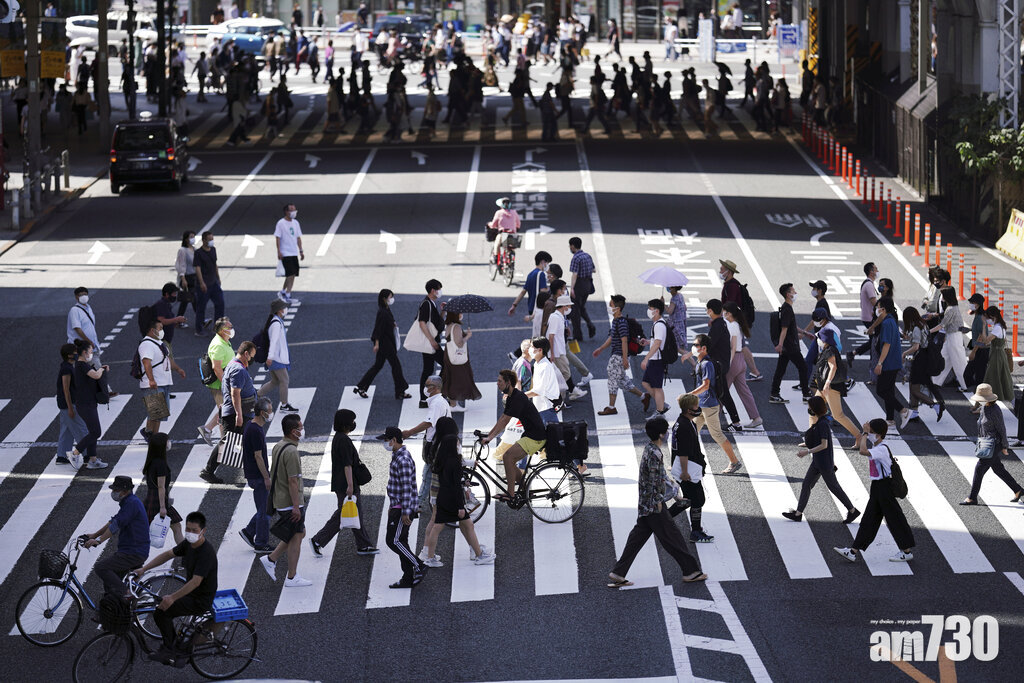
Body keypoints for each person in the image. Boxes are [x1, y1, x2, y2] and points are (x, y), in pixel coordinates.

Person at [609, 417, 707, 587]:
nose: (668, 434)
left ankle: (618, 572)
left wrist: (675, 495)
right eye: (666, 431)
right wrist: (657, 502)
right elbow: (655, 480)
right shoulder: (655, 453)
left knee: (636, 538)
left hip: (646, 502)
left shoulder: (650, 448)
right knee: (673, 537)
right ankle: (690, 571)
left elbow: (661, 477)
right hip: (654, 505)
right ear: (661, 434)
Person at [133, 511, 217, 664]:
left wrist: (172, 598)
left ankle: (170, 651)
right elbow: (168, 554)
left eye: (194, 530)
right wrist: (144, 569)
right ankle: (172, 646)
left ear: (203, 531)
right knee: (161, 606)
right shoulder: (189, 544)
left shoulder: (206, 553)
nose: (190, 533)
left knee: (161, 612)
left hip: (200, 599)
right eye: (188, 529)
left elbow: (195, 582)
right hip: (191, 593)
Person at [834, 420, 915, 564]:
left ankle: (906, 551)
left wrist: (864, 433)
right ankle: (853, 551)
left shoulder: (881, 449)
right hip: (878, 486)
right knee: (870, 519)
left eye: (871, 432)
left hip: (884, 487)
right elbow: (863, 447)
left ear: (877, 435)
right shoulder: (877, 446)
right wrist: (866, 433)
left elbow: (862, 451)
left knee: (895, 518)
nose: (868, 434)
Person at [419, 417, 496, 566]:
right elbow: (454, 482)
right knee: (442, 523)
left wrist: (468, 463)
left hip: (438, 491)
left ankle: (429, 553)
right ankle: (429, 554)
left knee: (449, 523)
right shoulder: (450, 453)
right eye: (457, 443)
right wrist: (460, 505)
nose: (459, 445)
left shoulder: (439, 445)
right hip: (448, 494)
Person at [309, 409, 379, 557]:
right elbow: (347, 465)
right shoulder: (344, 440)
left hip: (341, 482)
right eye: (352, 421)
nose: (354, 423)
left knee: (352, 513)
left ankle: (363, 545)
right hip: (346, 483)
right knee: (344, 514)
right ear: (346, 423)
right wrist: (350, 485)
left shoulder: (338, 438)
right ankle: (318, 540)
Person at [782, 396, 860, 523]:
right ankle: (798, 513)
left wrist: (807, 452)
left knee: (834, 487)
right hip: (818, 462)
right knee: (806, 484)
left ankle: (852, 510)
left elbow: (825, 445)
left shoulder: (823, 424)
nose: (809, 409)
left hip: (823, 463)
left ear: (815, 409)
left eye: (810, 408)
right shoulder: (820, 422)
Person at [257, 413, 312, 587]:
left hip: (280, 499)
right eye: (300, 428)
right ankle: (291, 577)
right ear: (293, 431)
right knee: (296, 537)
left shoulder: (279, 446)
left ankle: (271, 559)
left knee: (299, 533)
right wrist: (296, 506)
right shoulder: (292, 452)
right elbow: (292, 481)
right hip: (290, 502)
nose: (302, 430)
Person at [478, 370, 548, 501]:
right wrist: (488, 435)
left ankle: (511, 494)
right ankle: (526, 490)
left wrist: (489, 438)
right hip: (530, 435)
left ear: (508, 383)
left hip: (535, 437)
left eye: (500, 381)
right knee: (510, 460)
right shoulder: (512, 397)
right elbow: (502, 418)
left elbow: (505, 421)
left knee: (507, 456)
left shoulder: (517, 398)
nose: (497, 383)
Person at [201, 341, 258, 484]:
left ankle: (251, 470)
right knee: (228, 443)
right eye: (252, 356)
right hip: (236, 413)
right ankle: (208, 471)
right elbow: (235, 393)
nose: (252, 359)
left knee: (237, 442)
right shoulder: (238, 369)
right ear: (246, 353)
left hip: (237, 411)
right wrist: (239, 414)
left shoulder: (233, 364)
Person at [686, 334, 742, 474]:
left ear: (704, 348)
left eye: (696, 345)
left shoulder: (707, 364)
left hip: (709, 405)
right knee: (690, 433)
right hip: (701, 405)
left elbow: (706, 385)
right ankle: (683, 463)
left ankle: (734, 462)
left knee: (716, 434)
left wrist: (690, 395)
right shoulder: (700, 362)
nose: (693, 347)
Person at [84, 475, 150, 595]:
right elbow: (113, 521)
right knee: (111, 583)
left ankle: (127, 593)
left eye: (116, 490)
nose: (113, 492)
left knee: (101, 567)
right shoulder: (129, 501)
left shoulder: (131, 503)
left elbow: (116, 525)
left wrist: (99, 540)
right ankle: (115, 603)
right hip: (133, 550)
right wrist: (94, 535)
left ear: (125, 491)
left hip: (133, 552)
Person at [960, 384, 1024, 505]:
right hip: (987, 443)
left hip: (994, 444)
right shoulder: (985, 408)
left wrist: (1004, 446)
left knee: (979, 469)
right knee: (998, 469)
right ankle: (1018, 490)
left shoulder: (995, 410)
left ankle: (972, 498)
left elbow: (1002, 429)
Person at [380, 426, 427, 588]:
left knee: (393, 541)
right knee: (401, 542)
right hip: (398, 506)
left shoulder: (403, 460)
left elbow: (407, 487)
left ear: (394, 440)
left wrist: (405, 512)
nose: (385, 443)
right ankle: (408, 578)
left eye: (386, 440)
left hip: (402, 508)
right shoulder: (398, 456)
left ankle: (419, 565)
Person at [671, 394, 714, 543]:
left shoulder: (685, 422)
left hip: (689, 468)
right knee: (697, 499)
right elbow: (683, 453)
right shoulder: (684, 426)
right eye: (696, 406)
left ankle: (663, 520)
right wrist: (684, 472)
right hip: (688, 470)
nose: (698, 407)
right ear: (689, 410)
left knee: (690, 499)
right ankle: (695, 531)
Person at [593, 294, 646, 415]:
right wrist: (601, 348)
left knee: (612, 379)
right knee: (621, 380)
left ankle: (611, 407)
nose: (609, 307)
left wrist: (624, 359)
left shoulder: (621, 323)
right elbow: (612, 337)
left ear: (617, 308)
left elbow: (624, 341)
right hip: (618, 355)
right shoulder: (616, 321)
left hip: (618, 356)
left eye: (611, 305)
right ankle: (643, 396)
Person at [235, 397, 275, 553]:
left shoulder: (252, 426)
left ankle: (249, 532)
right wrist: (266, 477)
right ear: (263, 412)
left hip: (253, 474)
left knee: (264, 507)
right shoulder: (256, 431)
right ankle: (260, 543)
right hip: (258, 476)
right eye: (270, 411)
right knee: (265, 511)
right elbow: (258, 456)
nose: (271, 413)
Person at [355, 289, 410, 400]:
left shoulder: (385, 309)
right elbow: (378, 329)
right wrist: (376, 344)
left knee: (378, 365)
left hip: (386, 342)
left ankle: (361, 387)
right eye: (390, 297)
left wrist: (393, 325)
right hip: (385, 344)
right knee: (396, 366)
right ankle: (400, 391)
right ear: (384, 299)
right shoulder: (383, 312)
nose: (392, 299)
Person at [138, 320, 185, 443]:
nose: (162, 331)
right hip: (154, 383)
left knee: (159, 413)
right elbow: (146, 362)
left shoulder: (159, 343)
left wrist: (178, 369)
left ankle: (149, 433)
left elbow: (167, 359)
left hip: (163, 382)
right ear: (152, 330)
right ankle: (154, 438)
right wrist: (151, 380)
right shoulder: (147, 344)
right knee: (157, 413)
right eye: (160, 328)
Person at [812, 328, 861, 444]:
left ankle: (859, 436)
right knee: (813, 410)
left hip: (830, 387)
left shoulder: (830, 350)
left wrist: (827, 383)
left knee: (838, 415)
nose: (818, 340)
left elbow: (833, 366)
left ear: (824, 340)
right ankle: (812, 438)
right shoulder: (827, 349)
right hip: (824, 386)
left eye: (819, 338)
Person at [901, 307, 944, 425]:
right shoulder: (923, 324)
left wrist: (904, 353)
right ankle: (914, 413)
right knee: (913, 385)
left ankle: (935, 405)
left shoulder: (916, 328)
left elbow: (916, 346)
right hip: (925, 357)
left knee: (914, 388)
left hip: (920, 359)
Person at [769, 283, 811, 403]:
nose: (795, 293)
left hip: (786, 346)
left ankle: (774, 393)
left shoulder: (786, 308)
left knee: (780, 369)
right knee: (803, 367)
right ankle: (806, 394)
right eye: (793, 291)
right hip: (790, 345)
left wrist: (805, 333)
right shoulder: (787, 309)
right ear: (788, 294)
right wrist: (780, 345)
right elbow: (784, 328)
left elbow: (791, 326)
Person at [721, 302, 761, 428]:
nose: (723, 314)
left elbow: (732, 347)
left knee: (721, 390)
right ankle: (756, 417)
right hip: (740, 360)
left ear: (729, 313)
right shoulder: (737, 325)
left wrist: (728, 362)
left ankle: (710, 416)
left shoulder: (731, 326)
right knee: (744, 391)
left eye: (724, 312)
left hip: (733, 360)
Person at [70, 341, 108, 469]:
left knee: (93, 431)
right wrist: (101, 369)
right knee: (96, 432)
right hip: (85, 404)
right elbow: (96, 376)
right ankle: (75, 453)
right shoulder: (82, 365)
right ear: (84, 352)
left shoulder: (82, 365)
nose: (92, 354)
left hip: (88, 403)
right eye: (91, 351)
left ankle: (93, 460)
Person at [142, 433, 185, 547]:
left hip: (151, 498)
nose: (169, 443)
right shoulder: (161, 464)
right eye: (167, 441)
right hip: (159, 500)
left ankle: (186, 553)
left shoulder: (152, 461)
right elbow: (161, 487)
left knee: (176, 526)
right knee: (176, 527)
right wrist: (162, 507)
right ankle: (187, 553)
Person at [198, 318, 235, 446]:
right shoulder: (218, 345)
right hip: (219, 385)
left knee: (225, 409)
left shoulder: (225, 341)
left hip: (224, 382)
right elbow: (217, 368)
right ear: (222, 330)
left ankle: (207, 429)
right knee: (225, 412)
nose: (232, 329)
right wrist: (226, 385)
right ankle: (224, 442)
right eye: (229, 327)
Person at [706, 299, 742, 428]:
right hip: (721, 364)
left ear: (710, 311)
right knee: (716, 392)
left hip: (717, 365)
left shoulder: (717, 326)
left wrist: (694, 353)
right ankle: (705, 418)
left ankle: (736, 423)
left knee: (722, 393)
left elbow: (709, 345)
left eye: (707, 310)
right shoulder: (721, 323)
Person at [258, 299, 297, 412]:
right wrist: (270, 357)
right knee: (285, 380)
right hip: (276, 358)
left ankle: (257, 395)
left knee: (275, 381)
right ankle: (284, 405)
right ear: (279, 310)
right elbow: (273, 342)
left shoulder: (276, 321)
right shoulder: (276, 324)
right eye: (284, 307)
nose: (286, 309)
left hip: (275, 357)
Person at [874, 297, 906, 427]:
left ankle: (903, 410)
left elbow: (886, 344)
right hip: (894, 361)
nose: (877, 310)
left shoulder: (887, 323)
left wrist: (879, 363)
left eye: (878, 307)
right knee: (889, 390)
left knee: (881, 390)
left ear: (883, 309)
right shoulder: (891, 320)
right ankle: (890, 419)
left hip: (889, 362)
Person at [56, 344, 88, 466]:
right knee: (81, 429)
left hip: (64, 404)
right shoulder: (66, 369)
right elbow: (66, 390)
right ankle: (88, 455)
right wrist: (70, 408)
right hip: (69, 404)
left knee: (66, 430)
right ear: (69, 355)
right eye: (75, 352)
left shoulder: (66, 366)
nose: (77, 354)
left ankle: (62, 456)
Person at [442, 310, 482, 405]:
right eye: (460, 313)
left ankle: (453, 403)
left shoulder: (449, 325)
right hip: (457, 357)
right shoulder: (456, 327)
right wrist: (467, 336)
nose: (461, 314)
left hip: (449, 355)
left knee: (452, 378)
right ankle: (453, 404)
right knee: (459, 379)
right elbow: (459, 344)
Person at [416, 279, 445, 409]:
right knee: (446, 364)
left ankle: (424, 398)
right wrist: (431, 340)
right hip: (430, 343)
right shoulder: (426, 304)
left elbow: (436, 322)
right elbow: (422, 322)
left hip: (430, 342)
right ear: (433, 290)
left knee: (428, 369)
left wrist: (443, 311)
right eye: (438, 289)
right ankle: (434, 392)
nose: (440, 291)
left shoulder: (431, 303)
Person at [641, 299, 670, 416]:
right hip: (655, 359)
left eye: (650, 308)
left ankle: (660, 411)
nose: (648, 311)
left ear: (657, 311)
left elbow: (658, 343)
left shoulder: (659, 325)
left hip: (657, 360)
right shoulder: (658, 323)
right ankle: (662, 404)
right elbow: (657, 341)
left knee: (657, 387)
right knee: (645, 383)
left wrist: (646, 358)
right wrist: (648, 342)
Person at [848, 262, 879, 370]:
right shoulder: (869, 285)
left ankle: (853, 353)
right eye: (875, 269)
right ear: (871, 271)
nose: (877, 271)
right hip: (870, 317)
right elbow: (874, 301)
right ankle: (873, 363)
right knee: (875, 341)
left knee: (873, 340)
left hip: (866, 316)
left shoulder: (867, 283)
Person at [193, 231, 225, 333]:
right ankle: (199, 329)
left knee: (220, 304)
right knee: (201, 307)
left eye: (212, 239)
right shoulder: (198, 253)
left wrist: (218, 277)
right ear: (203, 240)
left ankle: (218, 327)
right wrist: (201, 282)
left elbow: (215, 264)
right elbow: (197, 268)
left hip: (214, 282)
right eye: (209, 239)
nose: (212, 241)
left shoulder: (213, 249)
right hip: (204, 284)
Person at [980, 306, 1014, 400]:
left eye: (987, 318)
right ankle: (991, 399)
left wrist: (984, 326)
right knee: (1000, 377)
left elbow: (986, 341)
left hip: (996, 356)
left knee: (990, 377)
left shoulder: (997, 328)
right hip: (1000, 354)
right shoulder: (1001, 326)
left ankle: (984, 400)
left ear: (992, 317)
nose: (986, 320)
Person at [508, 250, 552, 321]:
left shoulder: (530, 274)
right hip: (539, 308)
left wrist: (514, 305)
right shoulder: (541, 274)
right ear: (543, 262)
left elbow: (523, 292)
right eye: (547, 263)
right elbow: (543, 291)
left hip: (531, 308)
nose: (548, 265)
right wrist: (551, 288)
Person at [568, 237, 597, 340]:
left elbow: (574, 274)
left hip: (579, 285)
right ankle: (590, 324)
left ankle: (578, 335)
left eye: (570, 246)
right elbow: (594, 270)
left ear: (572, 246)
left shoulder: (576, 258)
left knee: (575, 310)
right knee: (581, 307)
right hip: (588, 284)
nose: (569, 248)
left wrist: (572, 288)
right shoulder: (587, 256)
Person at [275, 204, 304, 304]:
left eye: (295, 210)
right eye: (292, 210)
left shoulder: (296, 223)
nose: (294, 212)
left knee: (292, 274)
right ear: (286, 212)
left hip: (293, 252)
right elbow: (278, 237)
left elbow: (298, 238)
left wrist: (301, 250)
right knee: (290, 273)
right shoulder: (281, 223)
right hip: (285, 252)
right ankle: (287, 294)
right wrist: (279, 251)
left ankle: (284, 292)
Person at [67, 287, 102, 369]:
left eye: (85, 294)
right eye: (81, 295)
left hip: (91, 348)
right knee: (92, 371)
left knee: (95, 370)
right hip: (80, 349)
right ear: (76, 297)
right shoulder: (74, 310)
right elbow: (77, 328)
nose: (84, 297)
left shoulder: (89, 308)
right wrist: (89, 341)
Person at [963, 294, 990, 387]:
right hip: (981, 349)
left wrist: (973, 352)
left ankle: (979, 391)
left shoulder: (979, 317)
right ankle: (978, 391)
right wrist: (970, 330)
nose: (970, 304)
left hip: (980, 350)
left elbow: (981, 336)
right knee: (978, 375)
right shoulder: (978, 315)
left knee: (970, 375)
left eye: (972, 302)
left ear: (978, 304)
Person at [175, 231, 196, 326]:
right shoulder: (182, 250)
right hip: (187, 278)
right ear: (186, 239)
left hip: (194, 277)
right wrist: (183, 279)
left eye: (194, 236)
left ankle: (178, 320)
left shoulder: (194, 249)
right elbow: (181, 265)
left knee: (185, 300)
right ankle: (201, 320)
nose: (193, 239)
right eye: (191, 237)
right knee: (194, 299)